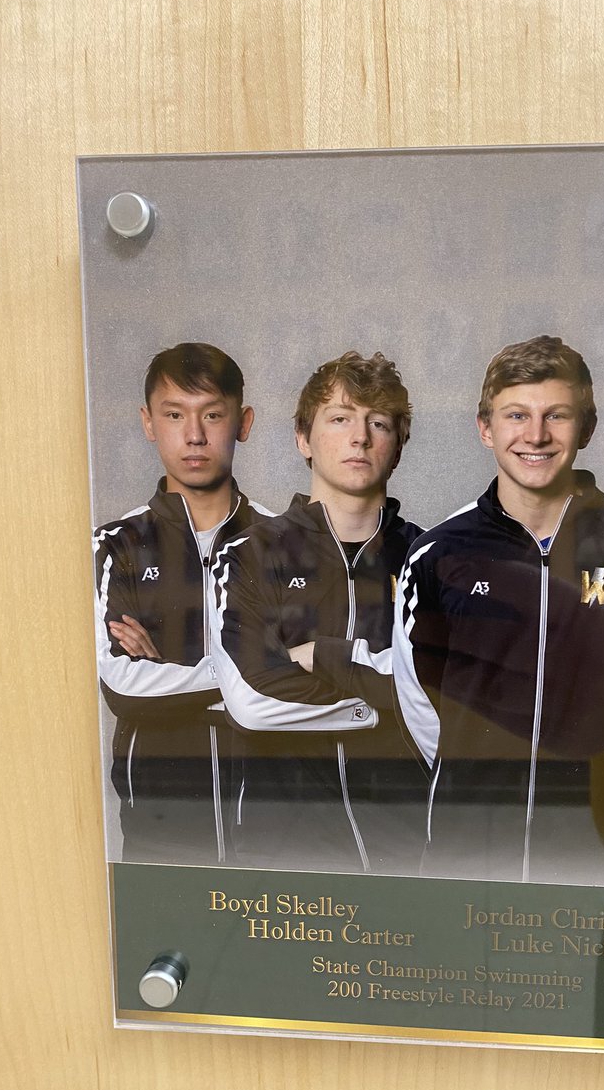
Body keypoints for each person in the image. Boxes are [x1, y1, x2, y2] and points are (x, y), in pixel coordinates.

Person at [392, 335, 604, 884]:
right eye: (516, 415)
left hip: (596, 857)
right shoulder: (439, 553)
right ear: (486, 429)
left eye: (557, 415)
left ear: (587, 428)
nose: (536, 435)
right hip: (466, 856)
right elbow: (418, 705)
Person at [211, 351, 426, 874]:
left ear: (397, 445)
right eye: (340, 418)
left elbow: (449, 694)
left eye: (378, 423)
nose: (360, 437)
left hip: (411, 845)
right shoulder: (246, 554)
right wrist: (381, 710)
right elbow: (253, 699)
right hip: (283, 849)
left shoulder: (434, 558)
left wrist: (324, 657)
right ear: (303, 439)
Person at [93, 342, 271, 865]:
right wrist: (253, 668)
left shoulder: (284, 544)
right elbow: (124, 687)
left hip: (272, 824)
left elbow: (311, 687)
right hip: (160, 830)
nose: (194, 435)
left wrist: (170, 670)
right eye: (174, 415)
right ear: (149, 423)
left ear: (243, 422)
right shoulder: (115, 545)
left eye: (212, 415)